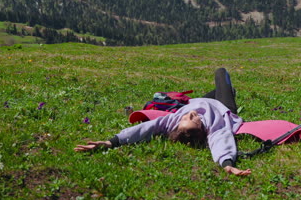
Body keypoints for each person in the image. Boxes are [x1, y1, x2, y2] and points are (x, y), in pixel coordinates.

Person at [74, 68, 252, 176]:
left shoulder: (171, 121)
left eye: (185, 118)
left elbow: (145, 128)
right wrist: (228, 166)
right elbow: (220, 143)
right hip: (221, 106)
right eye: (192, 119)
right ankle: (230, 93)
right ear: (203, 128)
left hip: (200, 100)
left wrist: (111, 142)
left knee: (225, 88)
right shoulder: (215, 126)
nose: (189, 114)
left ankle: (229, 91)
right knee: (221, 73)